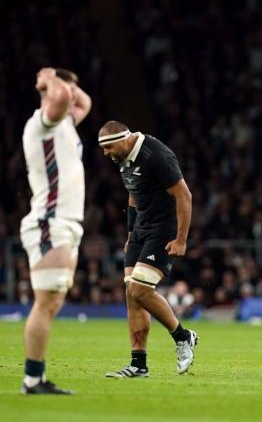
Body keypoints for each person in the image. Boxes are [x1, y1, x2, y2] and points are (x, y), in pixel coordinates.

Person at [98, 121, 198, 378]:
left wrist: (181, 239)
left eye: (108, 147)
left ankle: (183, 336)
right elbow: (134, 193)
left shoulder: (156, 154)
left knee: (139, 289)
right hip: (141, 230)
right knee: (132, 295)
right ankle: (138, 364)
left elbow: (184, 195)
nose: (106, 153)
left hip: (163, 229)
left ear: (124, 139)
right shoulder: (123, 157)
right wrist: (131, 234)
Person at [19, 67, 92, 394]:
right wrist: (48, 79)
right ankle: (32, 379)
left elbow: (83, 103)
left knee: (52, 301)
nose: (73, 96)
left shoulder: (65, 124)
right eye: (67, 91)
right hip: (50, 221)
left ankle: (35, 378)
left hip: (65, 223)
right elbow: (61, 97)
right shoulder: (43, 123)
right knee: (46, 301)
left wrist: (67, 84)